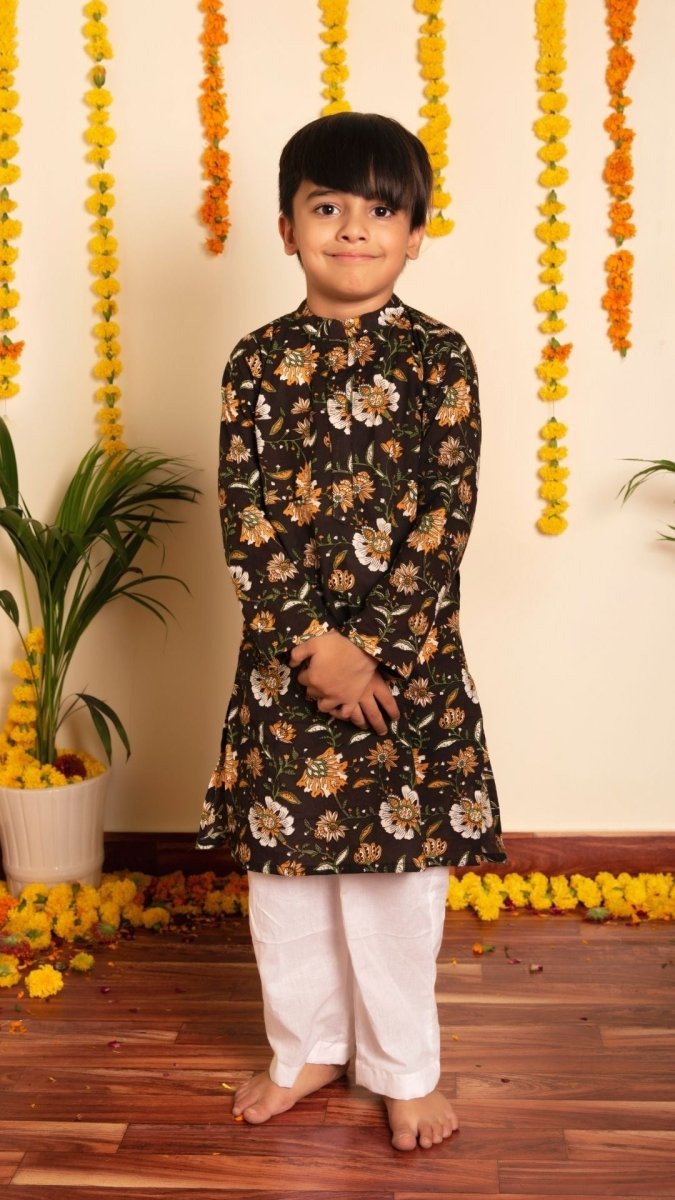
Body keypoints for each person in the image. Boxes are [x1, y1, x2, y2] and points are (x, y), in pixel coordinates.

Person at [198, 111, 507, 1152]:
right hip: (284, 670)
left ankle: (402, 1066)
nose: (353, 229)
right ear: (286, 228)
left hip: (404, 667)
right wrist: (308, 645)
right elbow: (243, 513)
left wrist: (369, 647)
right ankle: (305, 1050)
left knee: (396, 882)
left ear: (416, 233)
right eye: (326, 206)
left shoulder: (440, 358)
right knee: (286, 881)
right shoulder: (254, 362)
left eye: (381, 210)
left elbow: (445, 516)